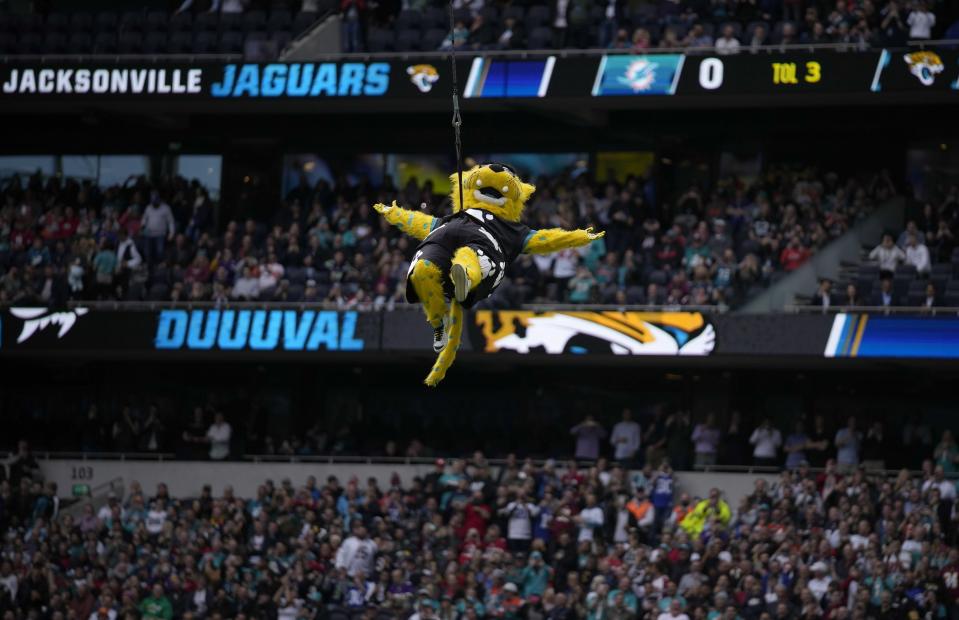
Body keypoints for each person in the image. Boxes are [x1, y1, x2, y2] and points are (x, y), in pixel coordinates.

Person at [140, 190, 176, 265]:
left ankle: (158, 266)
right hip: (148, 233)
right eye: (152, 201)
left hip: (160, 234)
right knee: (147, 252)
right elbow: (144, 218)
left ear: (159, 199)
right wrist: (142, 225)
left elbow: (171, 221)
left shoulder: (166, 208)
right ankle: (149, 267)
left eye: (155, 201)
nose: (153, 203)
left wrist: (171, 233)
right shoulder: (148, 207)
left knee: (160, 251)